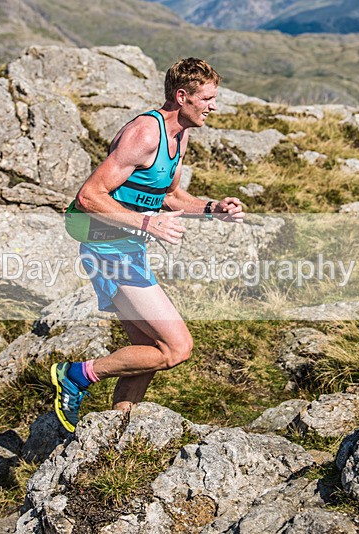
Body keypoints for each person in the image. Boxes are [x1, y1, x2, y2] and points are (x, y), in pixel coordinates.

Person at [51, 57, 245, 433]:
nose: (214, 106)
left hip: (128, 248)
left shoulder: (180, 135)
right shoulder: (145, 134)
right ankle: (75, 375)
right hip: (106, 248)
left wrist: (212, 208)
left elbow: (170, 196)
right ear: (182, 96)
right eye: (207, 98)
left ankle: (114, 433)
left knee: (148, 353)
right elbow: (90, 195)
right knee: (177, 348)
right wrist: (147, 222)